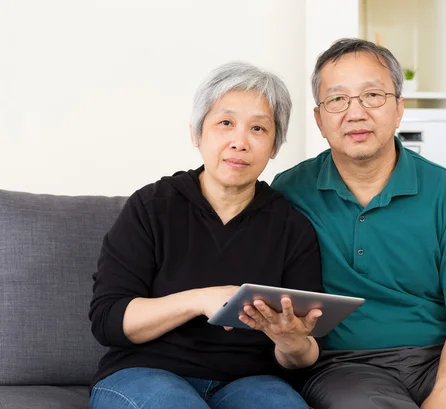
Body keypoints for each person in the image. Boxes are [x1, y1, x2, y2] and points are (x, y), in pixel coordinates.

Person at [271, 38, 446, 409]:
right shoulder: (290, 190)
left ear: (399, 109)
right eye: (337, 99)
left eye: (372, 95)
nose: (355, 113)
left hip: (441, 357)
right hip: (344, 365)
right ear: (319, 119)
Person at [88, 61, 324, 409]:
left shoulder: (292, 227)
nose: (240, 142)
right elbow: (108, 320)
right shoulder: (152, 206)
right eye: (225, 123)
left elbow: (305, 354)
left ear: (274, 146)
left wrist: (291, 342)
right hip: (145, 374)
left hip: (251, 381)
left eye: (258, 128)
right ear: (197, 133)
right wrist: (200, 299)